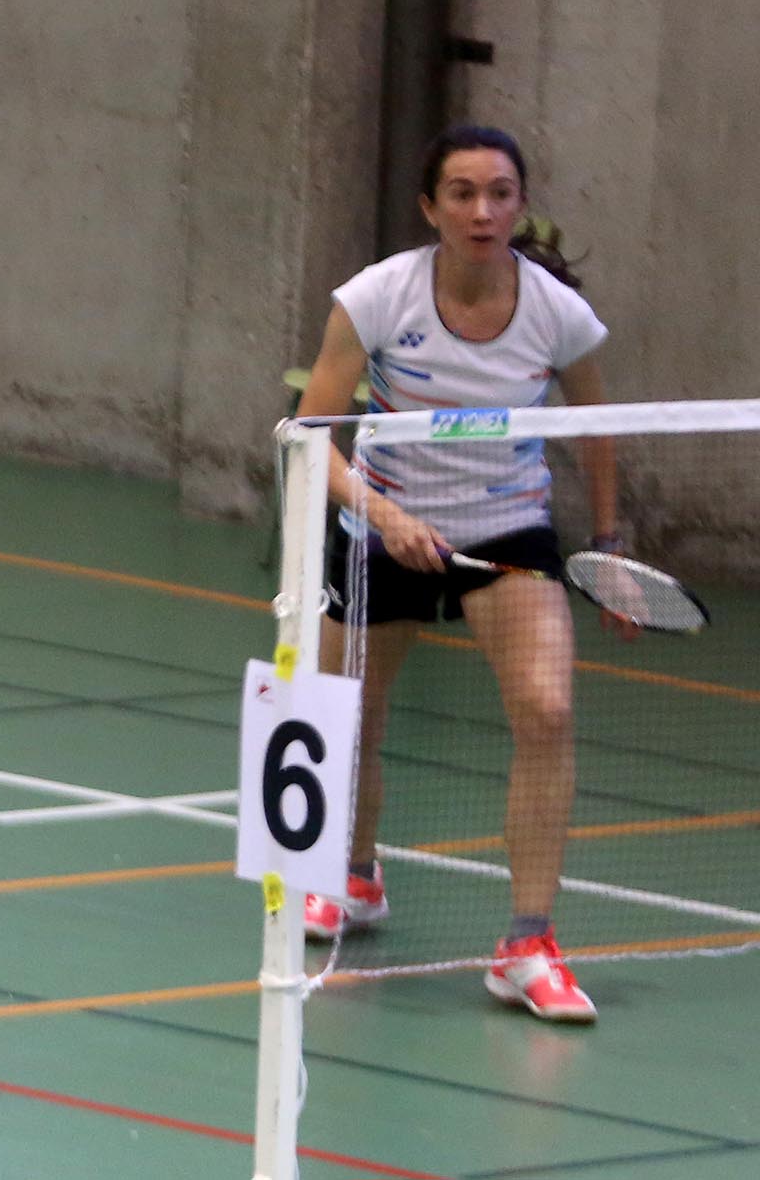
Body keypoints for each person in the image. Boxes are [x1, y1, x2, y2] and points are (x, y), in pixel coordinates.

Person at [295, 125, 627, 1024]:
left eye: (501, 193)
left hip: (508, 531)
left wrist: (609, 542)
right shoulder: (375, 299)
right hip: (386, 522)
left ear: (520, 206)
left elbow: (595, 429)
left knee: (548, 710)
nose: (483, 210)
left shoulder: (556, 312)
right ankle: (353, 877)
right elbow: (307, 440)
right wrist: (386, 516)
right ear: (430, 207)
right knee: (346, 711)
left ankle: (527, 942)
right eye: (463, 193)